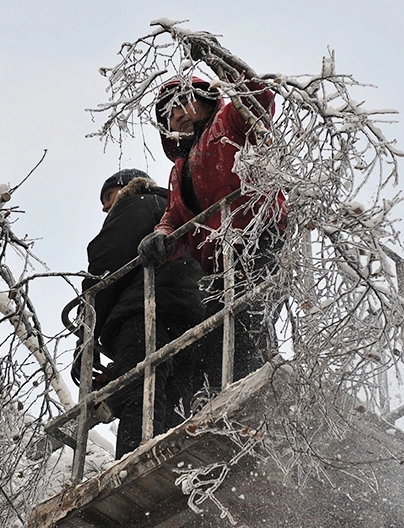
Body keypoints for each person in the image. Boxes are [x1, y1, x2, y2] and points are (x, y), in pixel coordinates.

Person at [138, 76, 286, 383]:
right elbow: (176, 218)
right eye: (169, 113)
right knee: (212, 333)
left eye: (183, 102)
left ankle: (257, 383)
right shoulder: (181, 169)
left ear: (206, 100)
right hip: (220, 260)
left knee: (245, 317)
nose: (177, 115)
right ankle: (219, 393)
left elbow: (259, 98)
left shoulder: (229, 122)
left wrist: (221, 63)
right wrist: (162, 237)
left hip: (257, 234)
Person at [77, 169, 207, 458]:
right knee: (173, 397)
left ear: (128, 189)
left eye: (110, 197)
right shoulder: (175, 213)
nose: (105, 207)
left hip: (147, 309)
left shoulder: (141, 202)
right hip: (190, 313)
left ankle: (133, 460)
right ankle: (169, 464)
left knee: (140, 390)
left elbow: (106, 262)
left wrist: (85, 339)